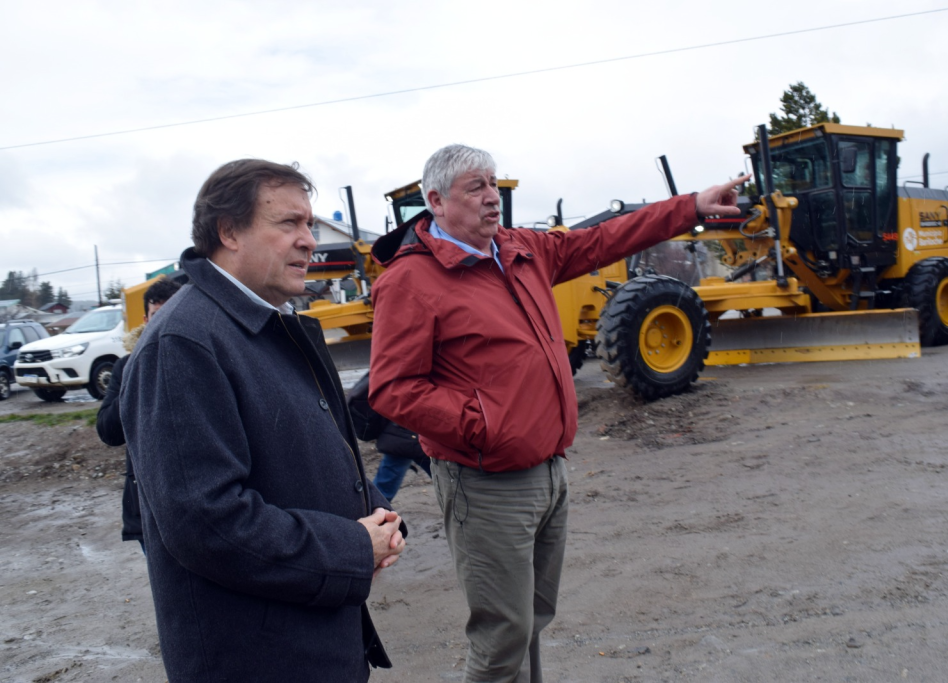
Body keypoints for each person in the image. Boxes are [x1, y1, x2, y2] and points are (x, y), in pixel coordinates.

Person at [369, 144, 746, 682]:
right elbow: (393, 388)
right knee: (502, 637)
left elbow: (603, 240)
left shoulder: (521, 250)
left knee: (530, 621)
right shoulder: (411, 282)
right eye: (475, 187)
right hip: (486, 481)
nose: (492, 197)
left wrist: (691, 207)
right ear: (436, 200)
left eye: (493, 184)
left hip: (549, 471)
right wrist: (483, 425)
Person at [119, 159, 406, 682]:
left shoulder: (265, 327)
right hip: (258, 658)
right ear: (228, 231)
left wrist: (377, 514)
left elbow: (303, 456)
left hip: (316, 643)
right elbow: (207, 522)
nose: (308, 241)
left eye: (310, 225)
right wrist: (350, 546)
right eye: (288, 224)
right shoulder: (185, 344)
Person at [95, 277, 182, 553]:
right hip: (147, 506)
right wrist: (139, 372)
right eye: (158, 316)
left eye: (172, 315)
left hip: (197, 500)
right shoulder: (126, 367)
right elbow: (108, 432)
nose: (164, 325)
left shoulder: (203, 360)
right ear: (146, 319)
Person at [347, 371, 431, 502]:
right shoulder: (412, 365)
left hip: (402, 431)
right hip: (406, 432)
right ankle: (371, 510)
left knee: (387, 481)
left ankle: (371, 508)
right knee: (446, 478)